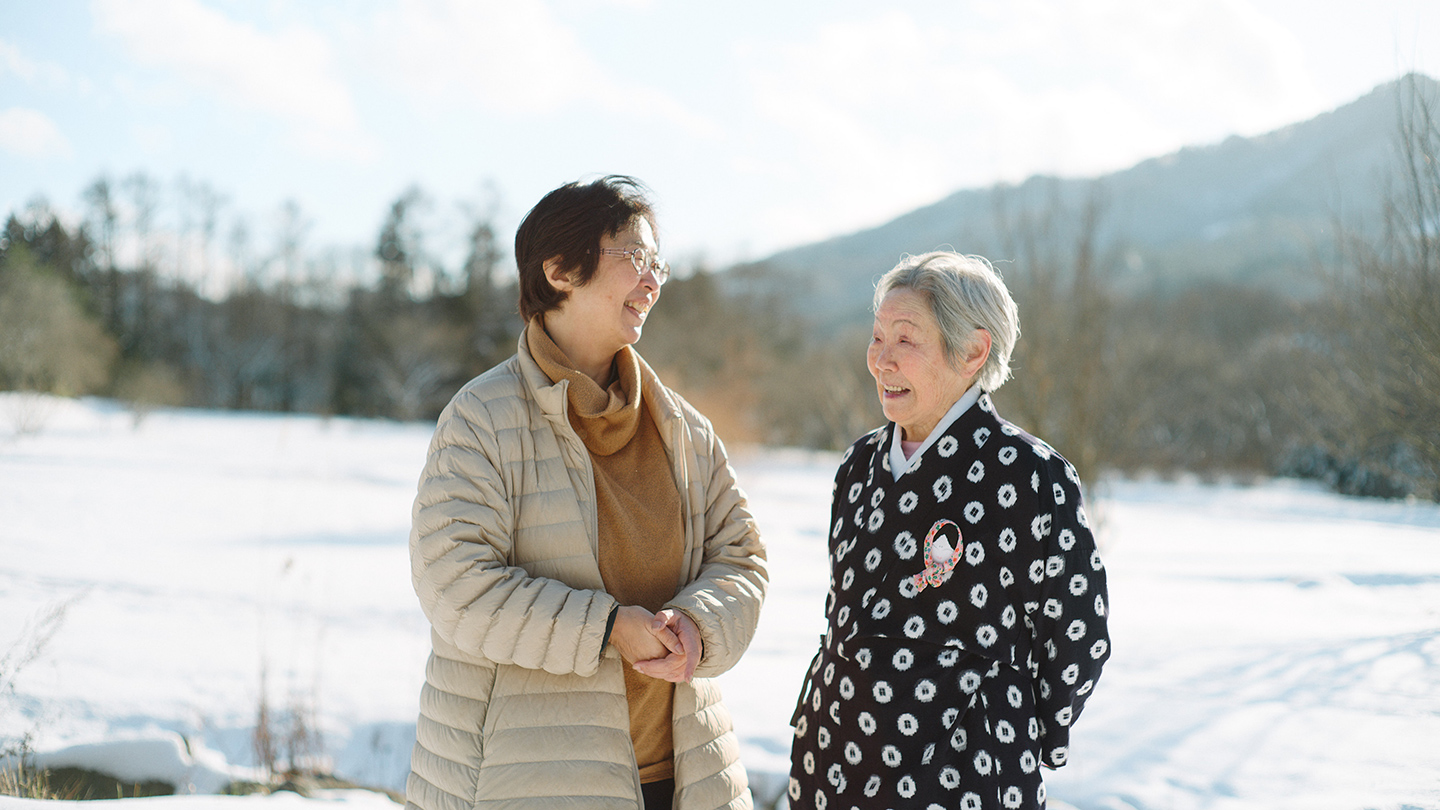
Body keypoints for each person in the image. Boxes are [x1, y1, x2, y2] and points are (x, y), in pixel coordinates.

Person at [405, 176, 768, 810]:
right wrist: (604, 627)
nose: (653, 281)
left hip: (682, 781)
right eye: (635, 257)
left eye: (658, 263)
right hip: (527, 786)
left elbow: (740, 560)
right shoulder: (482, 419)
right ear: (560, 271)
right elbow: (454, 583)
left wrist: (699, 626)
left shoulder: (684, 429)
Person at [788, 251, 1110, 810]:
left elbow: (1077, 636)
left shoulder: (1032, 476)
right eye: (878, 336)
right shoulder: (858, 466)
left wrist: (1017, 731)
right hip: (835, 756)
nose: (881, 361)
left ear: (973, 351)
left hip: (964, 768)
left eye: (905, 340)